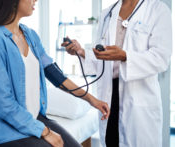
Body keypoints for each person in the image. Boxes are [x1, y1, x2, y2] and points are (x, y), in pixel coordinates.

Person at [0, 0, 110, 147]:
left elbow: (55, 75)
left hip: (33, 118)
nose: (35, 0)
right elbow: (3, 104)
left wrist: (92, 100)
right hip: (4, 127)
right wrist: (45, 132)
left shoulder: (30, 35)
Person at [62, 0, 172, 147]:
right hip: (109, 96)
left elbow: (160, 58)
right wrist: (81, 52)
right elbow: (101, 61)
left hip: (139, 99)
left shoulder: (157, 10)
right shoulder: (107, 13)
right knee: (111, 141)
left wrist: (125, 56)